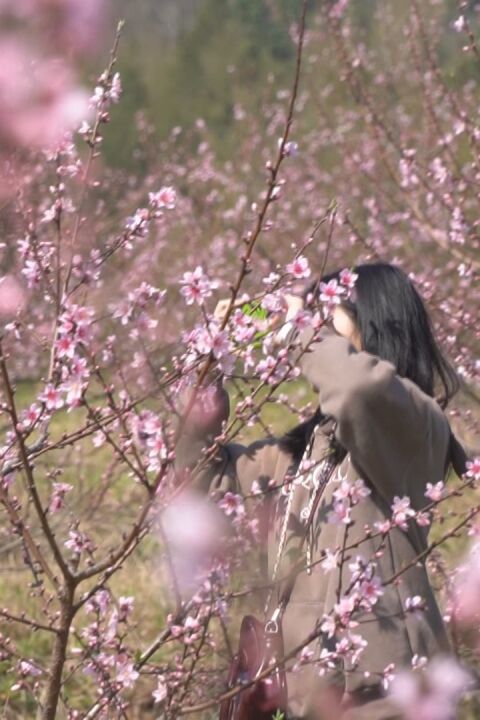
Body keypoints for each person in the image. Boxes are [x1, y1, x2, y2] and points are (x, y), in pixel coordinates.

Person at [177, 263, 468, 718]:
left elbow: (357, 390)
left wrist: (296, 329)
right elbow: (200, 480)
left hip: (385, 701)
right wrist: (208, 363)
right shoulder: (298, 455)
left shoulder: (416, 425)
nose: (313, 324)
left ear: (373, 320)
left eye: (324, 313)